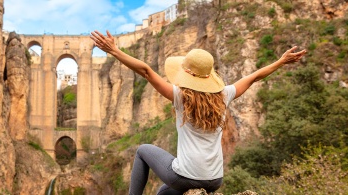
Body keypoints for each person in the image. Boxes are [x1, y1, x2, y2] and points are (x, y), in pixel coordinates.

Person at [90, 30, 306, 195]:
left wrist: (114, 51)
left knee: (142, 150)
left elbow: (146, 71)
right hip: (214, 180)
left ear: (187, 73)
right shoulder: (224, 95)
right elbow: (254, 77)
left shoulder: (180, 97)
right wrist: (281, 61)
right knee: (162, 193)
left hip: (185, 177)